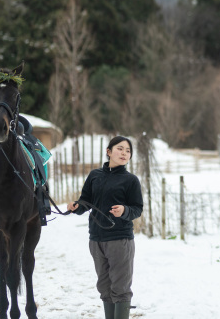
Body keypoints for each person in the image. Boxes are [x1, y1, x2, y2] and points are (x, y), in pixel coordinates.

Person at [67, 136, 143, 319]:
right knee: (104, 286)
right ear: (108, 152)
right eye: (120, 149)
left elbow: (137, 209)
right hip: (96, 239)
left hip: (119, 240)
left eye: (128, 150)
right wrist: (77, 207)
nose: (124, 153)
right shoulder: (95, 175)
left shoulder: (131, 180)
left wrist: (124, 210)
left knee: (120, 287)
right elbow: (86, 201)